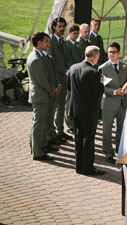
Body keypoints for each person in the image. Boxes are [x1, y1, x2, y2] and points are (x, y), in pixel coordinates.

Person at [68, 45, 105, 175]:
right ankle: (88, 167)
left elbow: (69, 87)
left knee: (78, 138)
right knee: (88, 138)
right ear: (95, 56)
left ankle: (79, 166)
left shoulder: (73, 68)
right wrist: (101, 83)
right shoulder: (93, 72)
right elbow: (98, 92)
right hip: (88, 111)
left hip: (75, 109)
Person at [27, 32, 58, 161]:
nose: (48, 44)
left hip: (41, 95)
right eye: (46, 41)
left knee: (39, 122)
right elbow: (42, 80)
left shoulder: (39, 56)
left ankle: (37, 146)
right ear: (39, 43)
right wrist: (51, 90)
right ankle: (37, 152)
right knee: (38, 124)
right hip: (40, 96)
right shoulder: (35, 59)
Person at [99, 42, 127, 164]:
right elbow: (102, 88)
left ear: (119, 53)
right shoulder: (103, 68)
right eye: (110, 52)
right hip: (109, 103)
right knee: (107, 129)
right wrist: (115, 92)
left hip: (123, 103)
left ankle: (120, 151)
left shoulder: (125, 66)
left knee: (121, 129)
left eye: (114, 52)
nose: (112, 54)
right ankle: (108, 153)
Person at [48, 17, 73, 143]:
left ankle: (60, 131)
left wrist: (67, 71)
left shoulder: (63, 41)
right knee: (53, 107)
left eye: (63, 26)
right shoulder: (50, 41)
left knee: (62, 105)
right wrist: (65, 71)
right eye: (59, 26)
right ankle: (52, 133)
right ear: (54, 27)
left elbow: (68, 58)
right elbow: (52, 61)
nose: (62, 29)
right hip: (56, 79)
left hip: (64, 78)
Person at [64, 24, 83, 134]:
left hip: (79, 75)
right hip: (71, 76)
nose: (76, 35)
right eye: (74, 33)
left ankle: (75, 123)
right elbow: (68, 60)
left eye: (77, 33)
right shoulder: (67, 45)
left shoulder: (78, 44)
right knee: (69, 101)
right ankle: (69, 124)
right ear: (69, 33)